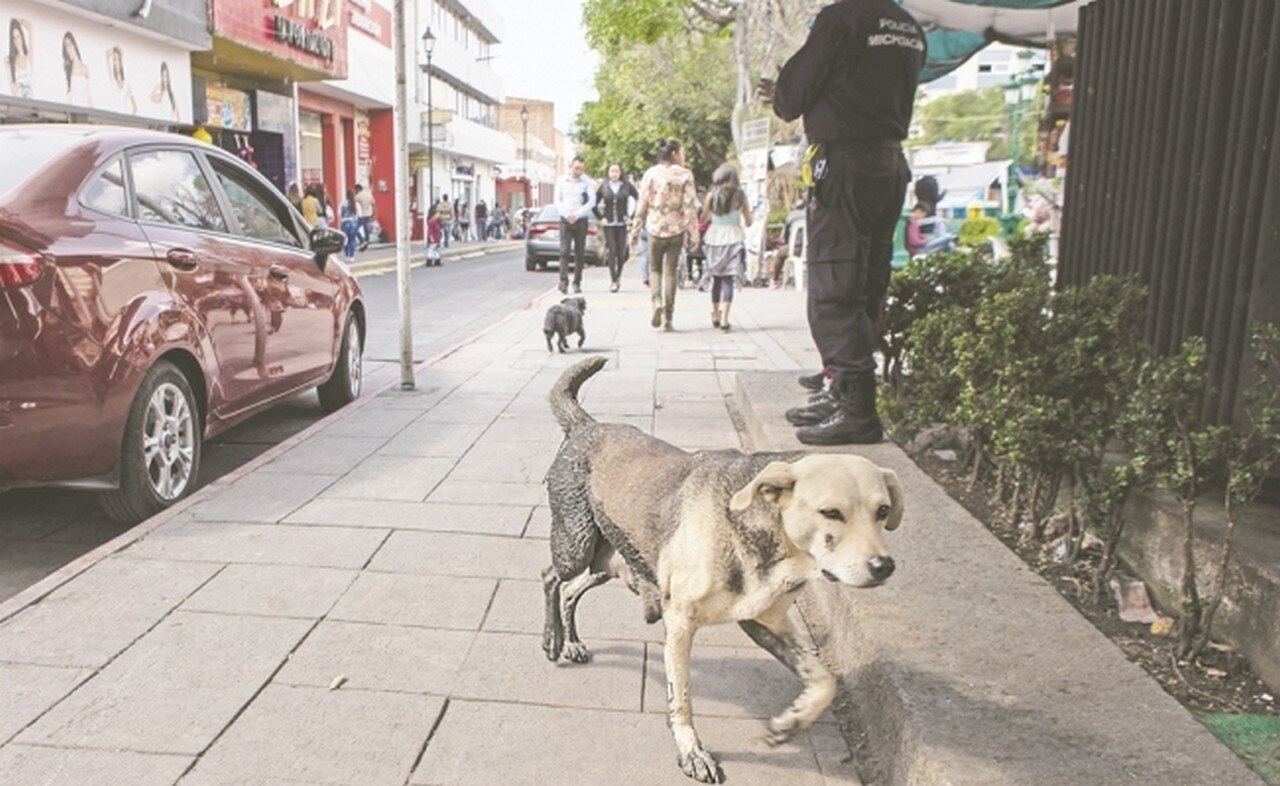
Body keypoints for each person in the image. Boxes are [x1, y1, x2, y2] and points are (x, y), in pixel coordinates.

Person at [758, 0, 925, 445]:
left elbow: (791, 98)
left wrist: (781, 89)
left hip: (846, 165)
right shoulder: (908, 25)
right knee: (868, 281)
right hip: (888, 163)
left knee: (834, 283)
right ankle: (841, 391)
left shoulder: (841, 19)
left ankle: (856, 407)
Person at [631, 139, 698, 331]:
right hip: (676, 230)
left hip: (655, 228)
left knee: (655, 269)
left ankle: (656, 302)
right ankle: (668, 319)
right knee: (671, 272)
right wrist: (694, 234)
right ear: (674, 154)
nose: (683, 156)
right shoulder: (685, 175)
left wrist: (635, 230)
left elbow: (642, 203)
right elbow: (690, 207)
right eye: (682, 152)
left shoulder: (651, 174)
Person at [700, 163, 752, 331]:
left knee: (716, 278)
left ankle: (715, 314)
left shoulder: (711, 196)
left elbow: (703, 218)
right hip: (734, 238)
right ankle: (724, 319)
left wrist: (713, 216)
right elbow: (749, 221)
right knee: (728, 279)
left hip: (714, 238)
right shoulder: (741, 196)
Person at [554, 156, 597, 294]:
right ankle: (563, 281)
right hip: (565, 220)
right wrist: (567, 215)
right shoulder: (561, 180)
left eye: (581, 169)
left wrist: (577, 215)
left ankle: (577, 282)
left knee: (580, 253)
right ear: (570, 166)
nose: (578, 171)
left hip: (581, 220)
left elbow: (592, 201)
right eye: (576, 168)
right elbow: (557, 200)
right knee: (564, 251)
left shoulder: (587, 181)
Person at [594, 162, 639, 293]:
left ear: (620, 173)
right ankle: (613, 280)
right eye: (612, 171)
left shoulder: (626, 186)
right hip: (609, 224)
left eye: (617, 171)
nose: (614, 174)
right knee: (612, 251)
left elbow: (639, 199)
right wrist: (601, 218)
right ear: (608, 173)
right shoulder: (603, 187)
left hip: (622, 224)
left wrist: (631, 216)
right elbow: (593, 204)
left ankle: (618, 275)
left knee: (621, 253)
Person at [61, 32, 91, 107]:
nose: (68, 49)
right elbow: (68, 96)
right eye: (66, 47)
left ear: (74, 45)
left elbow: (88, 94)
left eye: (69, 45)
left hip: (85, 107)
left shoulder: (85, 68)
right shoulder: (67, 69)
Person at [8, 19, 32, 99]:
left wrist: (22, 22)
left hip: (31, 99)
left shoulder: (28, 55)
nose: (17, 40)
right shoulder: (10, 61)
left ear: (22, 36)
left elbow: (30, 28)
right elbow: (13, 90)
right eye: (14, 38)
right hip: (19, 100)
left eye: (18, 36)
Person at [339, 189, 360, 262]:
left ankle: (346, 255)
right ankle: (351, 256)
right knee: (352, 240)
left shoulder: (342, 203)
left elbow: (339, 213)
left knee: (345, 239)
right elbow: (359, 214)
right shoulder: (356, 204)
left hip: (345, 222)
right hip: (353, 222)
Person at [354, 183, 375, 250]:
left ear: (358, 189)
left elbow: (353, 203)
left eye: (355, 190)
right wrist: (373, 214)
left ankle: (361, 240)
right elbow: (373, 204)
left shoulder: (358, 196)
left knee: (355, 228)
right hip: (368, 214)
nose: (355, 191)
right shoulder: (368, 195)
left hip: (362, 215)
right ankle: (366, 241)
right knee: (366, 229)